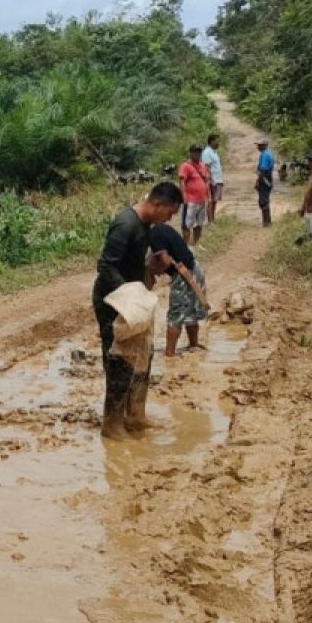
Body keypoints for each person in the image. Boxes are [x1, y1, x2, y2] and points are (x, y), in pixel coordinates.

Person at [92, 182, 182, 438]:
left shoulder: (145, 226)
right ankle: (112, 425)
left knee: (143, 354)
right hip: (115, 300)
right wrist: (131, 295)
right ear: (157, 205)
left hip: (133, 298)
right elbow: (105, 266)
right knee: (120, 359)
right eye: (169, 213)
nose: (169, 219)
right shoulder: (126, 224)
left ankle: (135, 416)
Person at [149, 221, 209, 356]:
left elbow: (165, 261)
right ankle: (193, 345)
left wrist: (155, 270)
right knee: (191, 312)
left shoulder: (153, 235)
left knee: (175, 315)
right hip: (195, 268)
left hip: (183, 274)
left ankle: (169, 353)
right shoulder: (164, 228)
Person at [178, 144, 210, 247]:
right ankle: (186, 246)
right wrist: (184, 195)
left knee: (199, 224)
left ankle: (196, 244)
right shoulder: (186, 166)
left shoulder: (203, 166)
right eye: (195, 151)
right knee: (187, 225)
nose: (197, 154)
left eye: (199, 152)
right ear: (191, 152)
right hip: (190, 200)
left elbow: (206, 180)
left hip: (201, 200)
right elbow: (182, 181)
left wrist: (207, 195)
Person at [201, 134, 224, 225]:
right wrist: (211, 180)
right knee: (210, 201)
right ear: (211, 141)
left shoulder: (214, 152)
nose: (218, 143)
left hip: (218, 180)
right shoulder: (207, 152)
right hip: (212, 180)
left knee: (215, 200)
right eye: (217, 141)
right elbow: (207, 167)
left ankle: (213, 219)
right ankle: (210, 221)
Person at [255, 138, 275, 227]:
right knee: (264, 199)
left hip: (265, 179)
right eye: (258, 145)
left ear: (265, 145)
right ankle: (267, 221)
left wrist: (258, 181)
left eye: (260, 145)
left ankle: (266, 222)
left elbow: (262, 171)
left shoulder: (265, 155)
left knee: (263, 200)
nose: (258, 147)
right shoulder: (268, 153)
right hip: (267, 178)